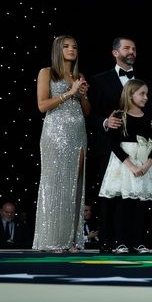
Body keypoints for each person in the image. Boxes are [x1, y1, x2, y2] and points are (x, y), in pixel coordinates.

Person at [87, 37, 152, 251]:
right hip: (113, 150)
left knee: (138, 201)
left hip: (142, 152)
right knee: (113, 199)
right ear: (115, 52)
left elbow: (151, 114)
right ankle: (111, 241)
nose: (132, 51)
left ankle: (136, 241)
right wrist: (105, 122)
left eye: (134, 48)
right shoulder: (99, 80)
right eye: (127, 48)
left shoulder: (145, 83)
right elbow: (90, 115)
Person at [32, 35, 90, 251]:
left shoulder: (79, 75)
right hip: (55, 133)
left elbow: (86, 111)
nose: (71, 49)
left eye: (74, 46)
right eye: (66, 46)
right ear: (58, 50)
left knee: (75, 185)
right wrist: (69, 93)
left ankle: (72, 240)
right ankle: (53, 240)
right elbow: (42, 105)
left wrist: (83, 96)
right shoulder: (47, 72)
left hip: (78, 133)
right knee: (56, 185)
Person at [97, 80, 152, 253]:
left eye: (147, 94)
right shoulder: (120, 116)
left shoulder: (151, 117)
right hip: (125, 164)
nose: (145, 97)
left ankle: (138, 241)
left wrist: (147, 164)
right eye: (141, 94)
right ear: (130, 94)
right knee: (124, 204)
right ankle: (121, 242)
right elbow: (114, 145)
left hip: (144, 163)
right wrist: (131, 166)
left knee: (141, 205)